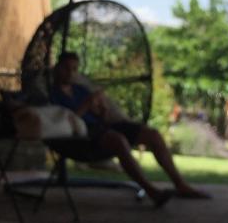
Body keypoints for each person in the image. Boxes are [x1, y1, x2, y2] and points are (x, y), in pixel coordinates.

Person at [50, 52, 210, 207]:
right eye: (66, 68)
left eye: (74, 69)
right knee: (117, 139)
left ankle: (180, 185)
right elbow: (65, 120)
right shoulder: (52, 94)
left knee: (152, 134)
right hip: (80, 137)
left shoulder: (80, 90)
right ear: (57, 68)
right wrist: (86, 104)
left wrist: (102, 109)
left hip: (101, 128)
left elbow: (100, 117)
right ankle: (152, 191)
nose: (70, 73)